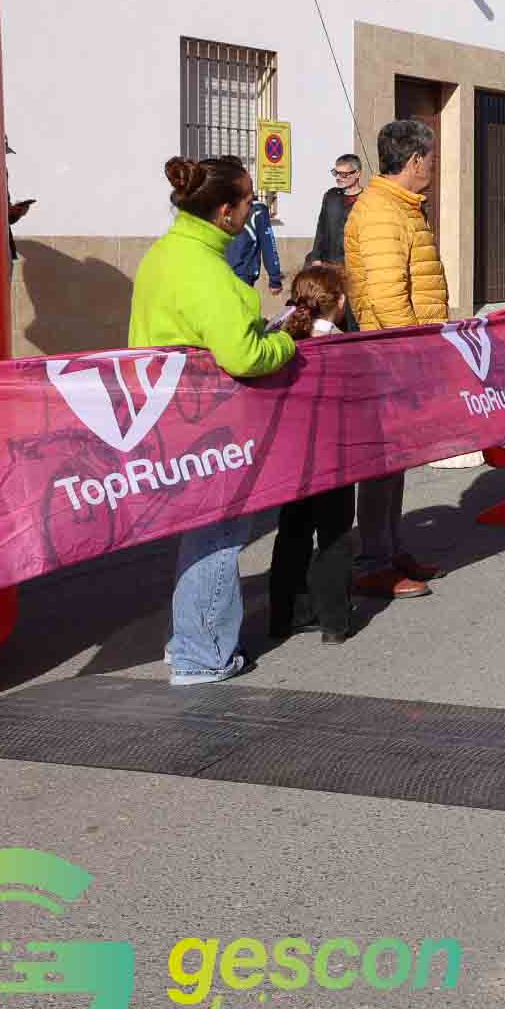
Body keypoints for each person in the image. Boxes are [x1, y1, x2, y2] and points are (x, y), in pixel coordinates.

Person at [130, 156, 299, 686]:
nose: (253, 209)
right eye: (248, 200)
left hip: (170, 414)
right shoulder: (206, 271)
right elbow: (244, 355)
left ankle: (187, 640)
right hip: (207, 420)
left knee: (201, 533)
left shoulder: (166, 254)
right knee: (219, 534)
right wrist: (287, 344)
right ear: (225, 212)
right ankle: (201, 653)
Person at [344, 118, 449, 602]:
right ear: (414, 160)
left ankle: (389, 549)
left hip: (400, 350)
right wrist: (414, 351)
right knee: (382, 462)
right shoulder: (382, 213)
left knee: (397, 457)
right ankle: (373, 563)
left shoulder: (401, 207)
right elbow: (388, 298)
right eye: (432, 158)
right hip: (390, 354)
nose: (434, 166)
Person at [266, 264, 356, 645]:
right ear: (341, 302)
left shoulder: (281, 337)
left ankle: (283, 615)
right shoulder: (341, 344)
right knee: (335, 533)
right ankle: (334, 620)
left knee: (292, 531)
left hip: (292, 453)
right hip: (334, 452)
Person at [309, 153, 365, 268]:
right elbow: (321, 228)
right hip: (329, 263)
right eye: (336, 173)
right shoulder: (330, 196)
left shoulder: (367, 199)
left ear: (357, 173)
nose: (338, 178)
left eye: (343, 174)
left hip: (354, 265)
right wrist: (316, 257)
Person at [226, 185, 284, 296]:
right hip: (242, 273)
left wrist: (274, 277)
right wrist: (275, 279)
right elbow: (268, 245)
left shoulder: (220, 206)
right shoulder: (257, 209)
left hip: (224, 271)